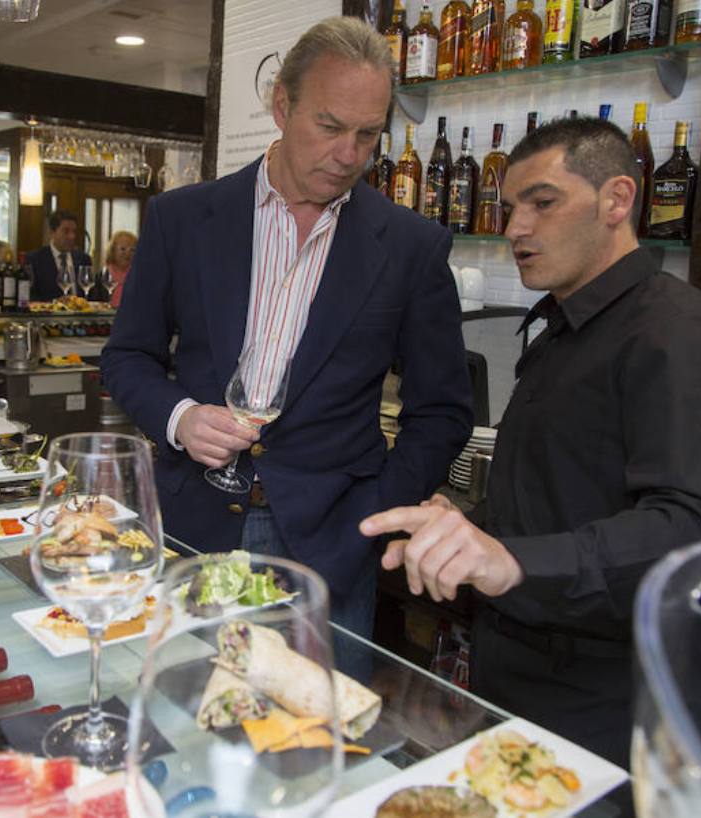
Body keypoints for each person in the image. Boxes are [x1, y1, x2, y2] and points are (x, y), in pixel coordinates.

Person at [360, 117, 701, 767]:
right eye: (513, 206)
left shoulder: (679, 335)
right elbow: (548, 494)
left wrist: (511, 563)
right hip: (514, 676)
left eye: (543, 202)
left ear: (618, 200)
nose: (516, 227)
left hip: (603, 702)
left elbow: (684, 530)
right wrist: (464, 527)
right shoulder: (564, 329)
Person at [99, 16, 473, 641]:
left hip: (329, 545)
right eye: (328, 127)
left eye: (367, 134)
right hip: (192, 523)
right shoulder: (182, 219)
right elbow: (127, 357)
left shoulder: (411, 246)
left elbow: (442, 412)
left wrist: (376, 511)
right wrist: (181, 417)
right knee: (180, 712)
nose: (348, 155)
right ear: (281, 104)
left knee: (313, 733)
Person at [26, 210, 92, 302]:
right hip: (48, 314)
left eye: (74, 232)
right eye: (66, 231)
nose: (72, 236)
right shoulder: (35, 259)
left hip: (80, 314)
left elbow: (91, 294)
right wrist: (54, 303)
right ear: (52, 232)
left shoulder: (83, 259)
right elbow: (29, 295)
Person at [92, 230, 136, 307]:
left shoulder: (138, 274)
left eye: (132, 250)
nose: (128, 253)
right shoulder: (103, 275)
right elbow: (95, 302)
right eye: (123, 249)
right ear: (113, 250)